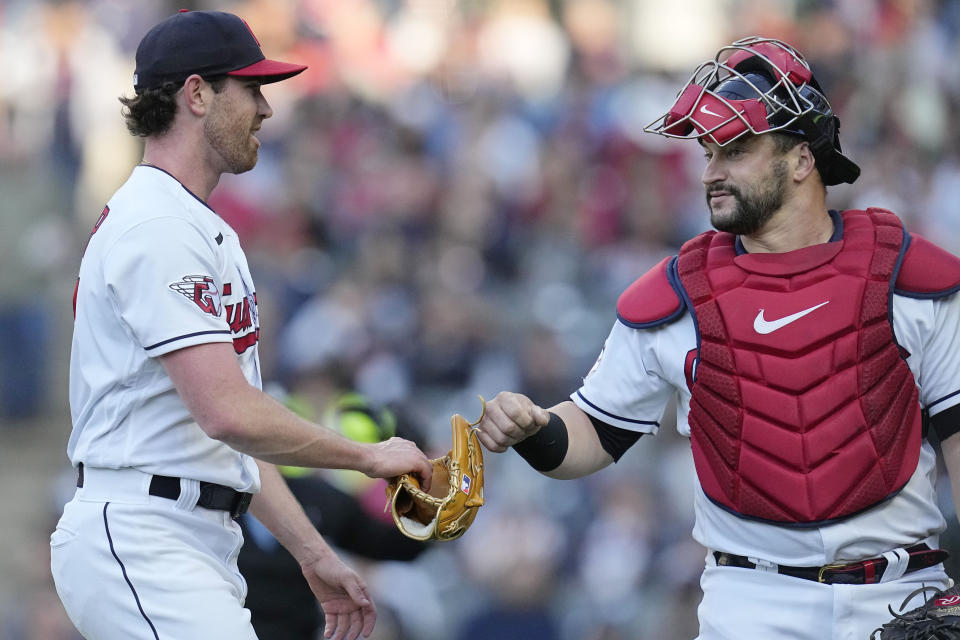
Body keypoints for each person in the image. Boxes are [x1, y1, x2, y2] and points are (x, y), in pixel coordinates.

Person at [474, 36, 960, 639]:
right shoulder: (677, 292)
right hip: (750, 604)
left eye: (735, 149)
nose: (712, 172)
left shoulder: (908, 277)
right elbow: (595, 434)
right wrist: (533, 427)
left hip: (904, 597)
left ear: (802, 159)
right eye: (708, 151)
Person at [50, 10, 432, 640]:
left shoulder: (195, 225)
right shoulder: (159, 228)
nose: (265, 108)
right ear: (197, 94)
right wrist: (367, 456)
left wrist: (311, 553)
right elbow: (227, 414)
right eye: (251, 88)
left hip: (189, 534)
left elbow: (233, 438)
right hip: (144, 531)